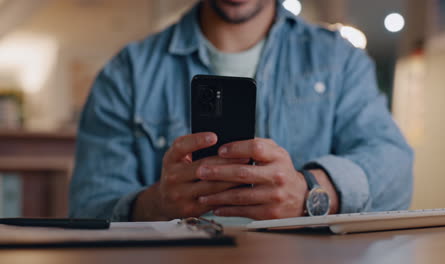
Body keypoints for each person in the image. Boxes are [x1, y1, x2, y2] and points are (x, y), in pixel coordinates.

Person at [69, 0, 413, 222]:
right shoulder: (127, 72)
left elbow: (395, 169)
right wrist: (157, 204)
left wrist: (310, 191)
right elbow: (88, 208)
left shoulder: (339, 59)